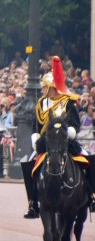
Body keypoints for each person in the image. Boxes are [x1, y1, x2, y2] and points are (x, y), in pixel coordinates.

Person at [22, 56, 95, 219]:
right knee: (28, 164)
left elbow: (76, 124)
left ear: (51, 87)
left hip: (66, 140)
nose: (42, 90)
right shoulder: (41, 103)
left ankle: (91, 196)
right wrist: (34, 138)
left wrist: (69, 132)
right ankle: (33, 203)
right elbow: (36, 125)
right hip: (45, 143)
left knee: (88, 160)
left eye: (44, 87)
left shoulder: (69, 102)